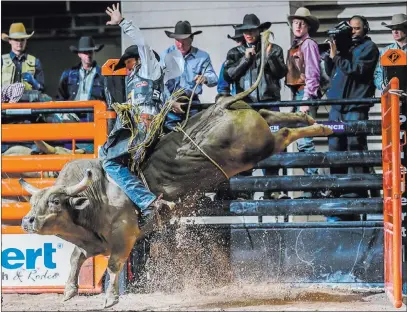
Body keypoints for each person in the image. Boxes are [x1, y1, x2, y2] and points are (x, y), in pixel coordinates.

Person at [100, 3, 181, 231]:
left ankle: (146, 201)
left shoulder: (148, 67)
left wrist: (122, 22)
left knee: (109, 160)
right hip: (143, 124)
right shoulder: (143, 78)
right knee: (104, 152)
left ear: (136, 59)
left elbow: (142, 43)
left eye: (127, 62)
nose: (126, 67)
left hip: (142, 127)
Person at [223, 13, 288, 200]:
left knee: (272, 146)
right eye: (246, 31)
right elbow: (229, 76)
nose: (249, 34)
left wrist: (269, 58)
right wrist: (245, 59)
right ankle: (245, 191)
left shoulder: (274, 49)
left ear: (259, 31)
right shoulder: (235, 53)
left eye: (252, 30)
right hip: (247, 107)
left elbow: (281, 72)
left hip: (270, 105)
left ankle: (273, 190)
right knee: (244, 148)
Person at [325, 15, 379, 215]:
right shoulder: (345, 47)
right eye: (351, 28)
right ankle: (337, 188)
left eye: (357, 28)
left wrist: (337, 57)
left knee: (355, 147)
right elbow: (331, 71)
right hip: (337, 106)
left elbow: (358, 71)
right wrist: (331, 54)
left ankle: (356, 190)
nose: (353, 31)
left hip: (355, 105)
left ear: (365, 29)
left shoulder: (369, 48)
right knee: (335, 147)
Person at [286, 7, 321, 196]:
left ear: (307, 26)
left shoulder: (308, 45)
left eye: (302, 23)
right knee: (301, 140)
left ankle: (313, 184)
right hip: (298, 95)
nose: (298, 25)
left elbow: (313, 74)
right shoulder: (297, 45)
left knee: (305, 139)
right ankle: (311, 182)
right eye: (296, 22)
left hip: (304, 95)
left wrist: (306, 100)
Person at [162, 20, 218, 130]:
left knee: (198, 134)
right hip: (171, 104)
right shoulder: (166, 55)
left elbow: (214, 79)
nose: (180, 44)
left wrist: (205, 78)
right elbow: (159, 83)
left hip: (192, 104)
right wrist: (170, 102)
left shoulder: (202, 56)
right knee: (167, 138)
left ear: (191, 39)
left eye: (184, 40)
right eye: (177, 40)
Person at [56, 36, 107, 121]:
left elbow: (107, 99)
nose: (88, 55)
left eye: (90, 52)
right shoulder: (68, 74)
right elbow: (61, 97)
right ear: (79, 54)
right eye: (85, 52)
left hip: (94, 118)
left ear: (94, 52)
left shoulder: (102, 75)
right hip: (72, 117)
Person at [1, 22, 45, 96]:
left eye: (22, 39)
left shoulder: (35, 61)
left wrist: (34, 82)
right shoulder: (1, 60)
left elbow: (41, 88)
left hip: (28, 103)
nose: (19, 43)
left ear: (26, 41)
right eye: (16, 40)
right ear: (10, 41)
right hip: (6, 104)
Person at [374, 13, 407, 92]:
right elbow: (378, 73)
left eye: (399, 28)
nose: (395, 31)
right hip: (392, 96)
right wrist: (384, 87)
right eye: (393, 28)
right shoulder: (385, 52)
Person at [217, 26, 245, 96]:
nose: (240, 44)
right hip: (238, 101)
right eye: (238, 41)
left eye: (243, 40)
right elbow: (223, 88)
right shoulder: (229, 62)